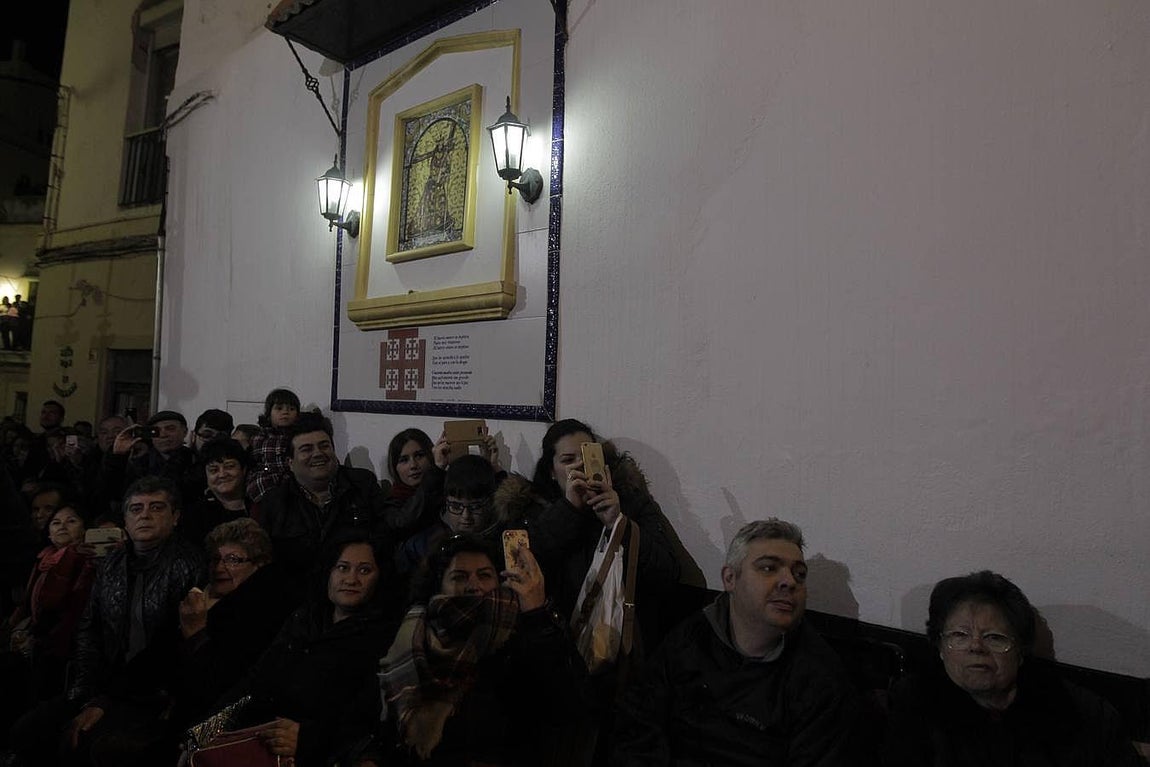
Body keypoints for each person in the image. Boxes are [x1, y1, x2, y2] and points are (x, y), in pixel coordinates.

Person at [612, 518, 860, 766]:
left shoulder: (820, 679)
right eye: (769, 568)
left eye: (800, 574)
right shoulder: (691, 638)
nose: (789, 581)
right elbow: (637, 724)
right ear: (730, 578)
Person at [9, 476, 204, 767]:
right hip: (106, 684)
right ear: (124, 520)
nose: (145, 515)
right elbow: (90, 629)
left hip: (157, 691)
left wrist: (105, 701)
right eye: (136, 509)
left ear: (175, 517)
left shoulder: (190, 565)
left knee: (93, 744)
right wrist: (87, 694)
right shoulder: (112, 564)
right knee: (27, 730)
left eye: (156, 507)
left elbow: (170, 646)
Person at [883, 570, 1141, 766]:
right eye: (959, 635)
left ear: (1021, 651)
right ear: (940, 647)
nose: (976, 648)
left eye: (994, 637)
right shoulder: (914, 703)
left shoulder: (1082, 714)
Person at [375, 532, 591, 766]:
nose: (474, 586)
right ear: (439, 584)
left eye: (484, 575)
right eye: (459, 576)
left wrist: (536, 615)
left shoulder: (520, 632)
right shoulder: (412, 632)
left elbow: (567, 700)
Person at [193, 535, 399, 766]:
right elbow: (256, 683)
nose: (351, 579)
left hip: (322, 753)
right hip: (267, 737)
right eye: (342, 567)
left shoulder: (382, 638)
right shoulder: (304, 620)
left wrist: (309, 738)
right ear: (329, 573)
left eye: (364, 571)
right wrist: (205, 730)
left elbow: (366, 717)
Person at [171, 518, 295, 729]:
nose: (219, 567)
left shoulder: (263, 612)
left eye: (233, 559)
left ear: (260, 564)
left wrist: (196, 632)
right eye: (215, 559)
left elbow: (225, 681)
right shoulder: (195, 598)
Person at [255, 412, 390, 589]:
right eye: (306, 449)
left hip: (357, 593)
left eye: (324, 446)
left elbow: (384, 543)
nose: (318, 453)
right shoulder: (274, 502)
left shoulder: (363, 485)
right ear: (290, 463)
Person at [6, 504, 98, 700]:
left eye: (71, 521)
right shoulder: (43, 558)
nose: (62, 526)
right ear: (48, 533)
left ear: (84, 529)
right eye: (56, 523)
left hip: (65, 643)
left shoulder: (88, 559)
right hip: (39, 640)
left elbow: (56, 602)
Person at [395, 454, 499, 575]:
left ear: (490, 503)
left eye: (475, 507)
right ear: (445, 501)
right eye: (456, 506)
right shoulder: (421, 546)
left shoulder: (504, 543)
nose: (466, 516)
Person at [101, 410, 199, 508]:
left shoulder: (196, 460)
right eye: (156, 431)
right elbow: (114, 493)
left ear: (185, 432)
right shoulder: (139, 464)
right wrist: (117, 456)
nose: (163, 435)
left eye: (170, 429)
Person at [179, 438, 252, 550]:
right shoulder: (194, 515)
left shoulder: (261, 506)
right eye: (214, 470)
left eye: (229, 466)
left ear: (244, 470)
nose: (222, 474)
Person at [246, 388, 301, 502]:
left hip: (290, 482)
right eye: (279, 408)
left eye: (291, 409)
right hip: (264, 481)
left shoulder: (297, 437)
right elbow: (253, 461)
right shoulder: (260, 437)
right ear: (269, 414)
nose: (285, 412)